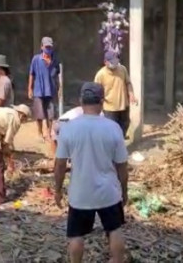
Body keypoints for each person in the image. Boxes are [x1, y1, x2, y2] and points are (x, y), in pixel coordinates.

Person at [54, 82, 128, 263]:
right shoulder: (113, 128)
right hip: (108, 193)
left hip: (80, 193)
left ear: (81, 101)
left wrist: (57, 190)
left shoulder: (69, 128)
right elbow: (122, 165)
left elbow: (60, 164)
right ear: (102, 102)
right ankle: (118, 260)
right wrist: (124, 191)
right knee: (114, 229)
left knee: (76, 235)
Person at [94, 50, 137, 138]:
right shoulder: (100, 75)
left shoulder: (122, 69)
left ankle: (120, 143)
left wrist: (131, 94)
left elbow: (128, 83)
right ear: (105, 62)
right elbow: (96, 91)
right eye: (112, 62)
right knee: (111, 130)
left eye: (116, 61)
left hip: (123, 106)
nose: (115, 63)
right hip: (110, 108)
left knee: (125, 125)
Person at [28, 36, 61, 142]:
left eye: (50, 47)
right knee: (39, 114)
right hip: (39, 90)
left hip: (50, 90)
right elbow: (31, 74)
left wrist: (59, 88)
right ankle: (39, 133)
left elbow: (57, 75)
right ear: (41, 47)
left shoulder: (55, 60)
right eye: (46, 47)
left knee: (50, 114)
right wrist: (30, 88)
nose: (48, 49)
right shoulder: (36, 59)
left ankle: (49, 133)